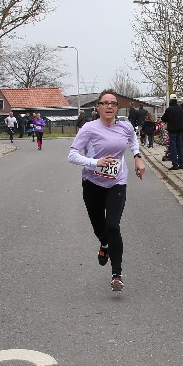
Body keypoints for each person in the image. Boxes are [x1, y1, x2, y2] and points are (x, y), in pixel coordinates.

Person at [67, 89, 145, 292]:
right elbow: (72, 155)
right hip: (92, 183)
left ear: (117, 107)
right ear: (98, 107)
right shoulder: (89, 128)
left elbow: (133, 140)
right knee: (99, 228)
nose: (109, 106)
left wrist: (137, 158)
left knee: (113, 225)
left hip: (117, 182)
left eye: (113, 103)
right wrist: (95, 162)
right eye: (105, 103)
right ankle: (104, 244)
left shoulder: (125, 126)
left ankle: (116, 275)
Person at [162, 97, 183, 169]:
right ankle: (181, 163)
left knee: (173, 147)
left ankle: (175, 164)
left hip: (172, 130)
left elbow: (163, 118)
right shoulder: (180, 108)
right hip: (180, 129)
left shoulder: (169, 109)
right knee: (180, 146)